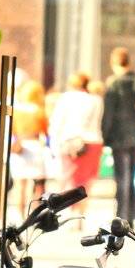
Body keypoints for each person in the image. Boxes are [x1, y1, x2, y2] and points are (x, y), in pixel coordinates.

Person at [101, 47, 135, 221]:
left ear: (113, 63)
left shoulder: (113, 83)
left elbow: (108, 113)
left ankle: (121, 215)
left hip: (118, 136)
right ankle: (132, 216)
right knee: (131, 176)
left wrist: (105, 134)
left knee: (121, 178)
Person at [48, 71, 104, 201]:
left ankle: (67, 213)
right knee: (85, 184)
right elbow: (98, 122)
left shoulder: (65, 98)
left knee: (67, 182)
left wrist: (54, 145)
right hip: (93, 142)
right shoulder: (96, 100)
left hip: (70, 143)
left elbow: (56, 123)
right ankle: (81, 215)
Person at [10, 78, 50, 211]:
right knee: (39, 185)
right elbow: (45, 130)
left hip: (20, 147)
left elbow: (13, 130)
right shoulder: (39, 111)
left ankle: (20, 215)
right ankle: (35, 212)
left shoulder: (16, 111)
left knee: (20, 185)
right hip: (35, 146)